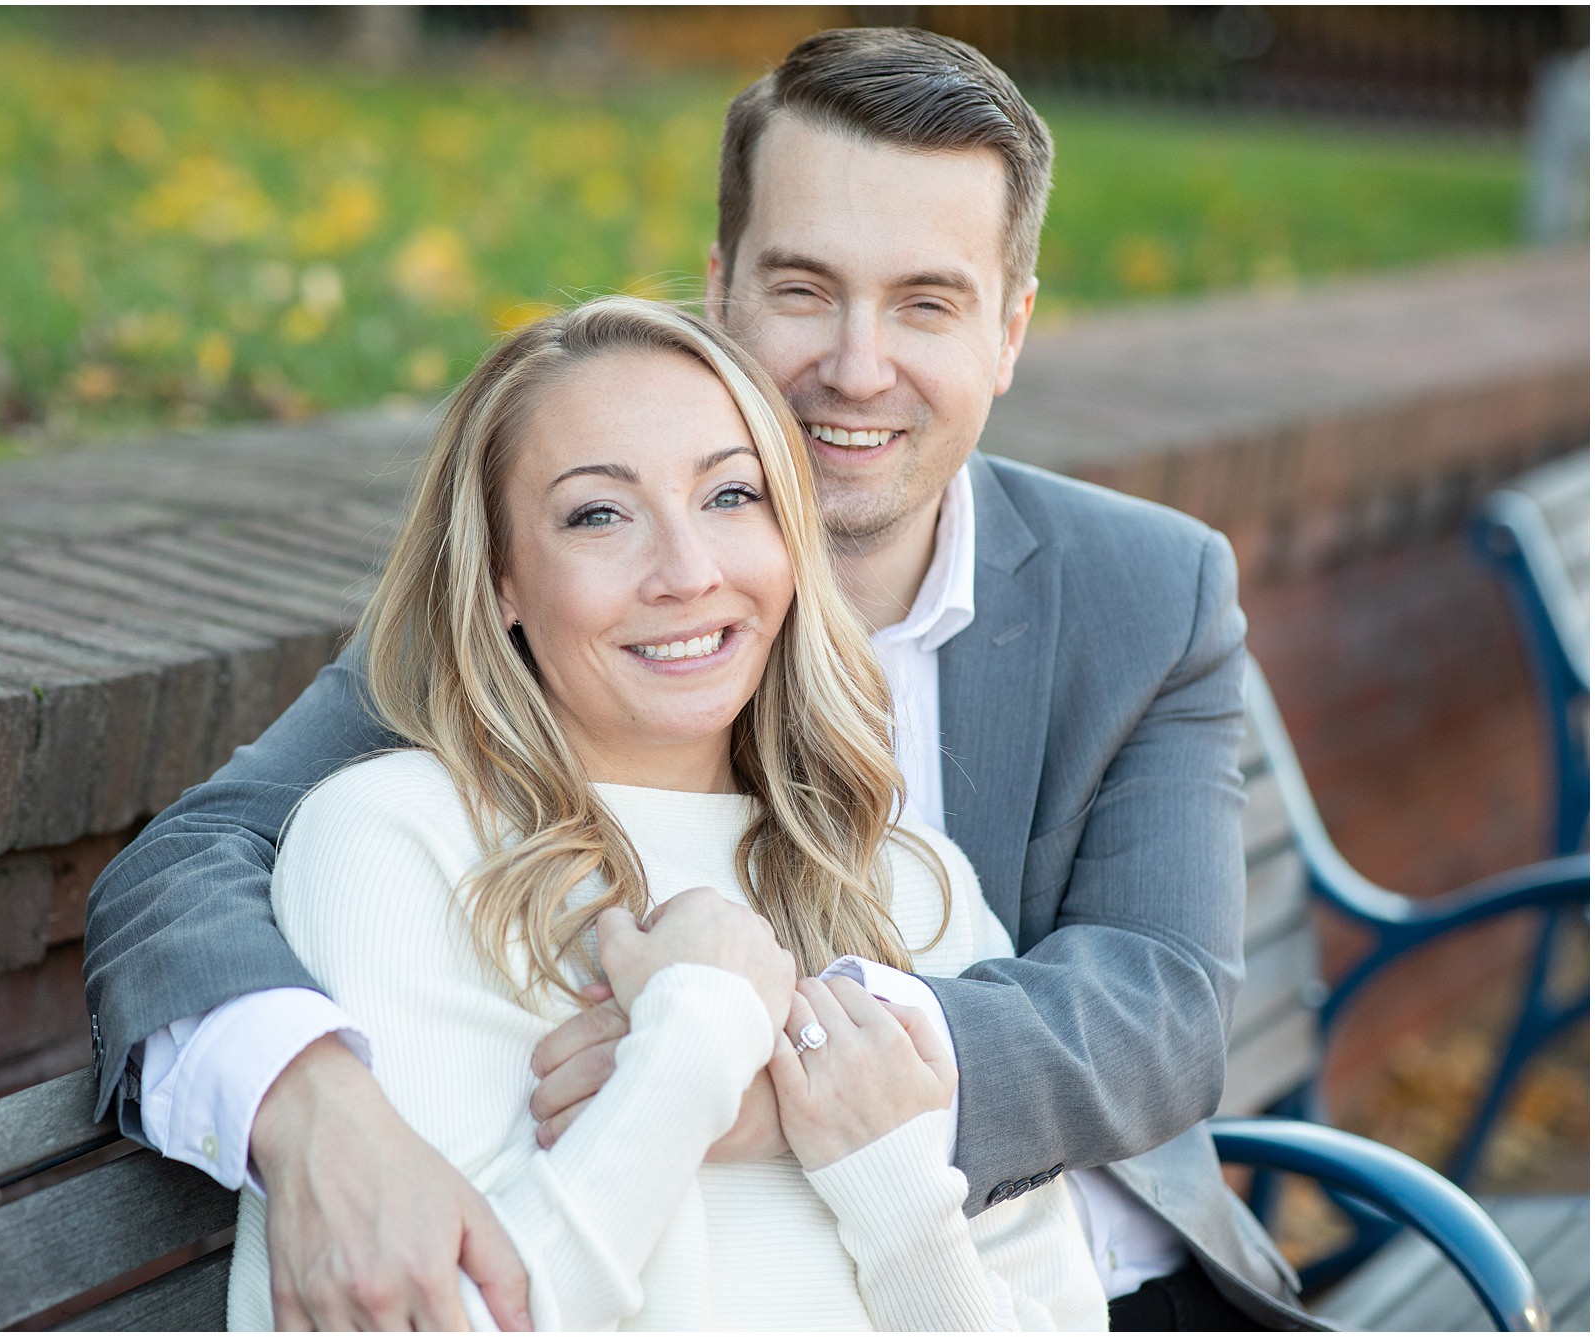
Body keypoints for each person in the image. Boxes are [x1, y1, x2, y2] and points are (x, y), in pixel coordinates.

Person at [85, 26, 1316, 1331]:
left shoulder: (1144, 588)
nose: (856, 364)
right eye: (804, 289)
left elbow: (1162, 1010)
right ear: (722, 291)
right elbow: (197, 859)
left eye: (926, 302)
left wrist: (789, 1061)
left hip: (1114, 1275)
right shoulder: (543, 633)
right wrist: (313, 1100)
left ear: (1010, 330)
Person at [224, 295, 1110, 1330]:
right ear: (501, 577)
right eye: (598, 513)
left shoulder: (905, 881)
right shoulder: (395, 841)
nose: (688, 573)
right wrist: (702, 1026)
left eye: (731, 495)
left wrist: (887, 1172)